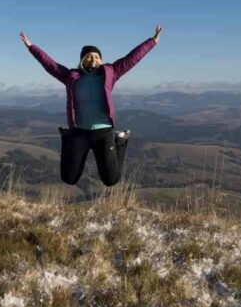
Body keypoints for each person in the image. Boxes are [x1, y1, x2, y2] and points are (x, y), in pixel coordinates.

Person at [20, 25, 162, 186]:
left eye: (96, 56)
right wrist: (31, 47)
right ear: (82, 59)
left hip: (104, 132)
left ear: (100, 60)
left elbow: (132, 58)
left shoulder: (111, 73)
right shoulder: (71, 76)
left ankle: (120, 140)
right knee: (69, 178)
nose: (93, 59)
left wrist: (153, 41)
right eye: (89, 56)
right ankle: (67, 137)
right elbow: (50, 65)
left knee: (110, 180)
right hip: (79, 131)